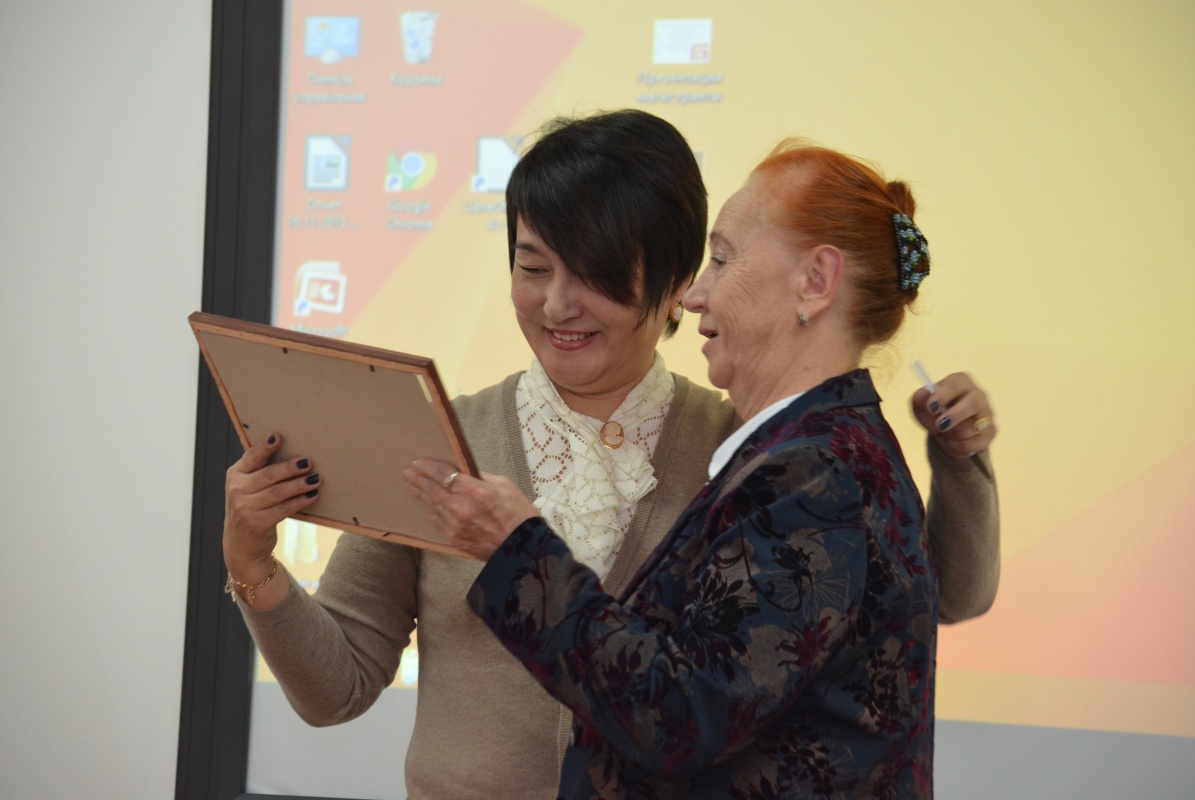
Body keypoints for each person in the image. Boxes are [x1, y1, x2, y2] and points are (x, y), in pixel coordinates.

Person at [223, 111, 999, 799]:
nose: (557, 303)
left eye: (595, 274)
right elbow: (336, 689)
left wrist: (961, 464)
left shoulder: (744, 452)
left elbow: (925, 599)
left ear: (675, 283)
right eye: (533, 267)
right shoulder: (439, 440)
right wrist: (253, 563)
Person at [405, 139, 958, 798]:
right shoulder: (817, 451)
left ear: (815, 282)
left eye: (721, 259)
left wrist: (519, 553)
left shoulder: (812, 474)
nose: (694, 294)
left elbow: (680, 717)